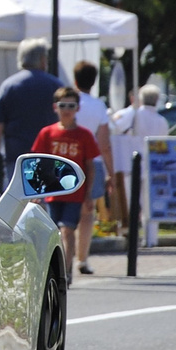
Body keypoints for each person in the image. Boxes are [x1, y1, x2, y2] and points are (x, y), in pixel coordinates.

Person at [32, 86, 100, 285]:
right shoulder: (47, 133)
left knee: (68, 230)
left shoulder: (84, 135)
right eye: (63, 105)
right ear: (55, 107)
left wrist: (88, 195)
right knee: (54, 232)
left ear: (78, 108)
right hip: (53, 192)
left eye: (71, 105)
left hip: (75, 193)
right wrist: (37, 190)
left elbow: (90, 166)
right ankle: (55, 267)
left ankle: (66, 269)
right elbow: (39, 162)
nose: (67, 110)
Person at [0, 39, 64, 186]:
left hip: (16, 159)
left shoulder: (9, 86)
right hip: (50, 157)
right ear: (42, 59)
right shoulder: (56, 86)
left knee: (18, 203)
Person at [110, 84, 170, 235]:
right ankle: (151, 238)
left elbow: (114, 127)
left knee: (131, 202)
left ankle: (132, 235)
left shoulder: (133, 114)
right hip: (153, 166)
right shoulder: (162, 120)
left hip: (131, 164)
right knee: (150, 203)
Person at [72, 61, 114, 274]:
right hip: (94, 162)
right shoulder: (99, 106)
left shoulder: (68, 102)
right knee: (88, 213)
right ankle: (82, 259)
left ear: (75, 80)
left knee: (67, 210)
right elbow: (105, 144)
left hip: (69, 158)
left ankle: (66, 255)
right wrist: (110, 172)